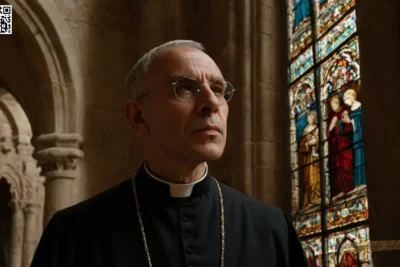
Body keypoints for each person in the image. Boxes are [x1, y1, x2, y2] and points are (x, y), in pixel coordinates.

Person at [30, 40, 308, 267]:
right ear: (138, 117)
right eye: (186, 87)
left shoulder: (272, 229)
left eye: (219, 89)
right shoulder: (72, 235)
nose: (211, 102)